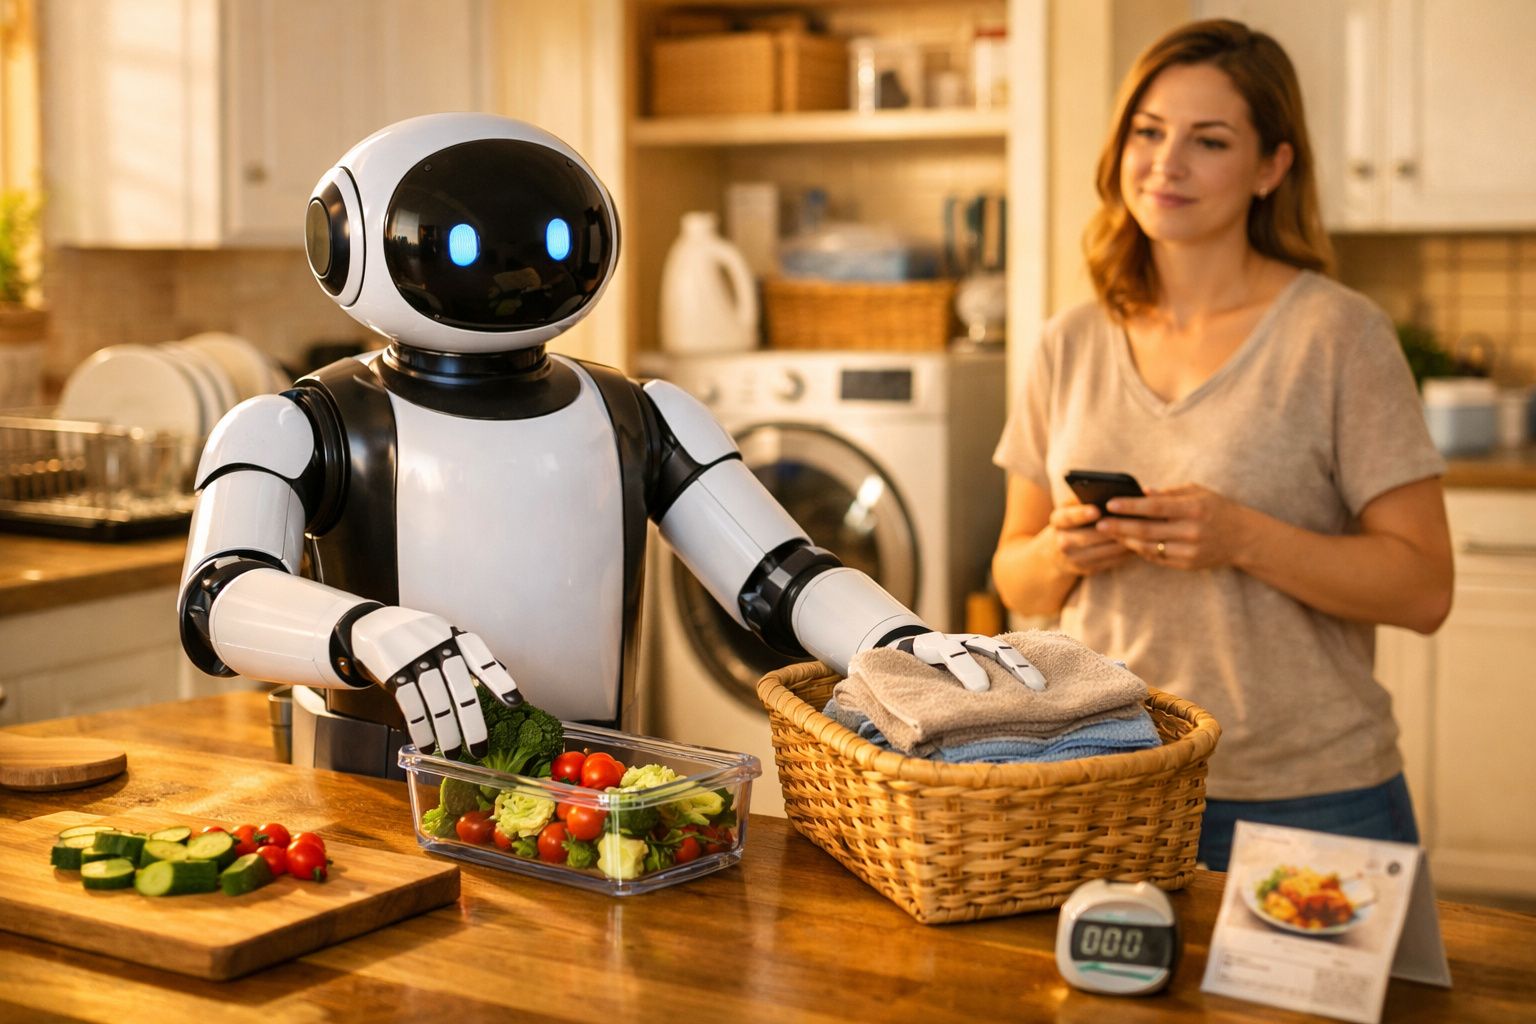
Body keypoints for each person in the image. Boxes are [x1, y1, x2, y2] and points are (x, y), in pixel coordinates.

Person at [989, 19, 1453, 871]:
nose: (1167, 163)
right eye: (1148, 132)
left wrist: (1242, 537)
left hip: (1312, 798)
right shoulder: (1070, 341)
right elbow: (1013, 574)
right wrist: (1067, 550)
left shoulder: (1339, 335)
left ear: (1271, 167)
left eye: (1209, 141)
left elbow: (1425, 588)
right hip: (1107, 781)